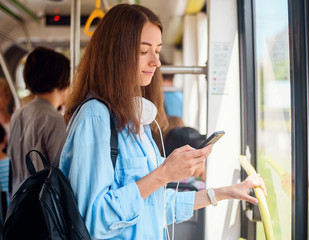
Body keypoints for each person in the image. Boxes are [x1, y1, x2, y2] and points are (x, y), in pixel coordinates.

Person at [60, 4, 266, 240]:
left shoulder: (137, 122)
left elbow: (153, 205)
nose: (156, 62)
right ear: (115, 54)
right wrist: (163, 174)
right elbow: (93, 220)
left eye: (157, 50)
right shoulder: (95, 117)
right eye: (143, 51)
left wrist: (225, 193)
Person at [7, 47, 70, 194]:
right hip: (42, 207)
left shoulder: (18, 115)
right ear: (62, 80)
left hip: (18, 201)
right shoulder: (53, 119)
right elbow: (61, 172)